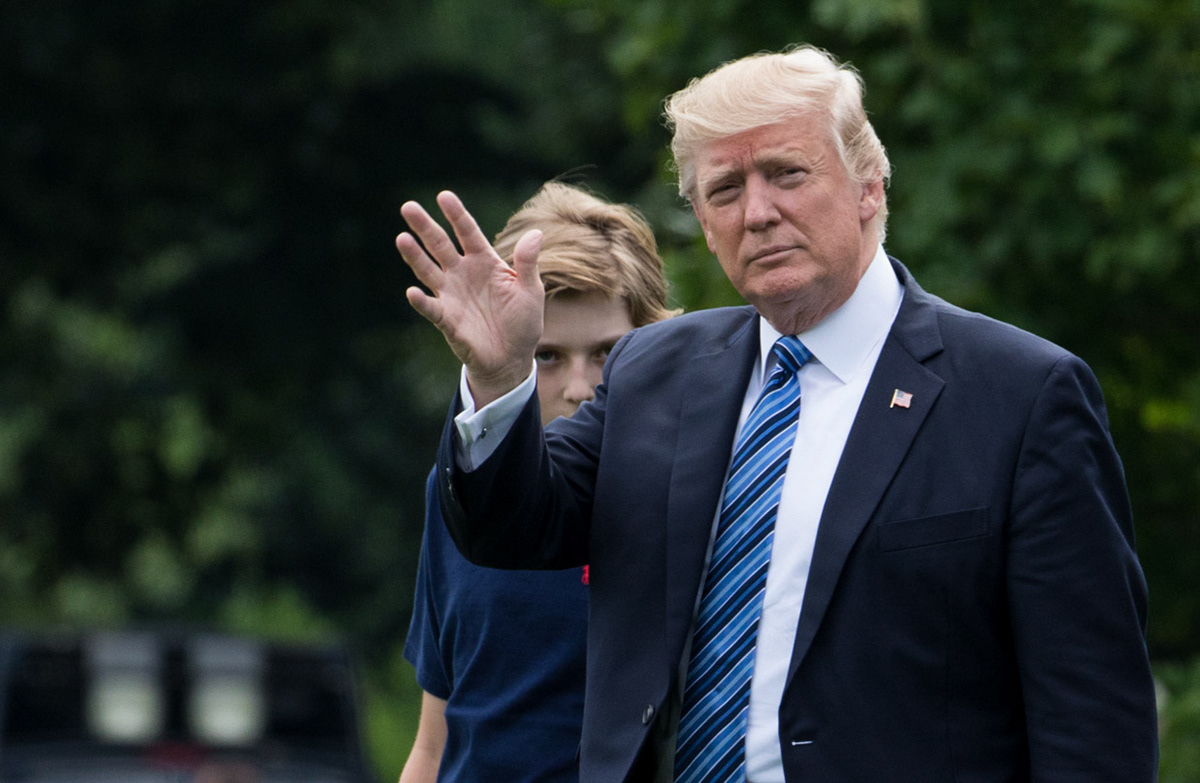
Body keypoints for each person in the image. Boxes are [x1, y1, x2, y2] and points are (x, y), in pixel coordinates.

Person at [395, 45, 1158, 782]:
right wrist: (498, 378)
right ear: (700, 217)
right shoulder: (655, 370)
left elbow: (1092, 720)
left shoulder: (1021, 395)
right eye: (725, 190)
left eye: (787, 174)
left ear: (869, 186)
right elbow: (514, 527)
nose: (757, 212)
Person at [398, 181, 678, 783]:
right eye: (547, 355)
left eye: (607, 353)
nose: (580, 386)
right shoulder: (456, 489)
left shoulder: (696, 492)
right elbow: (435, 739)